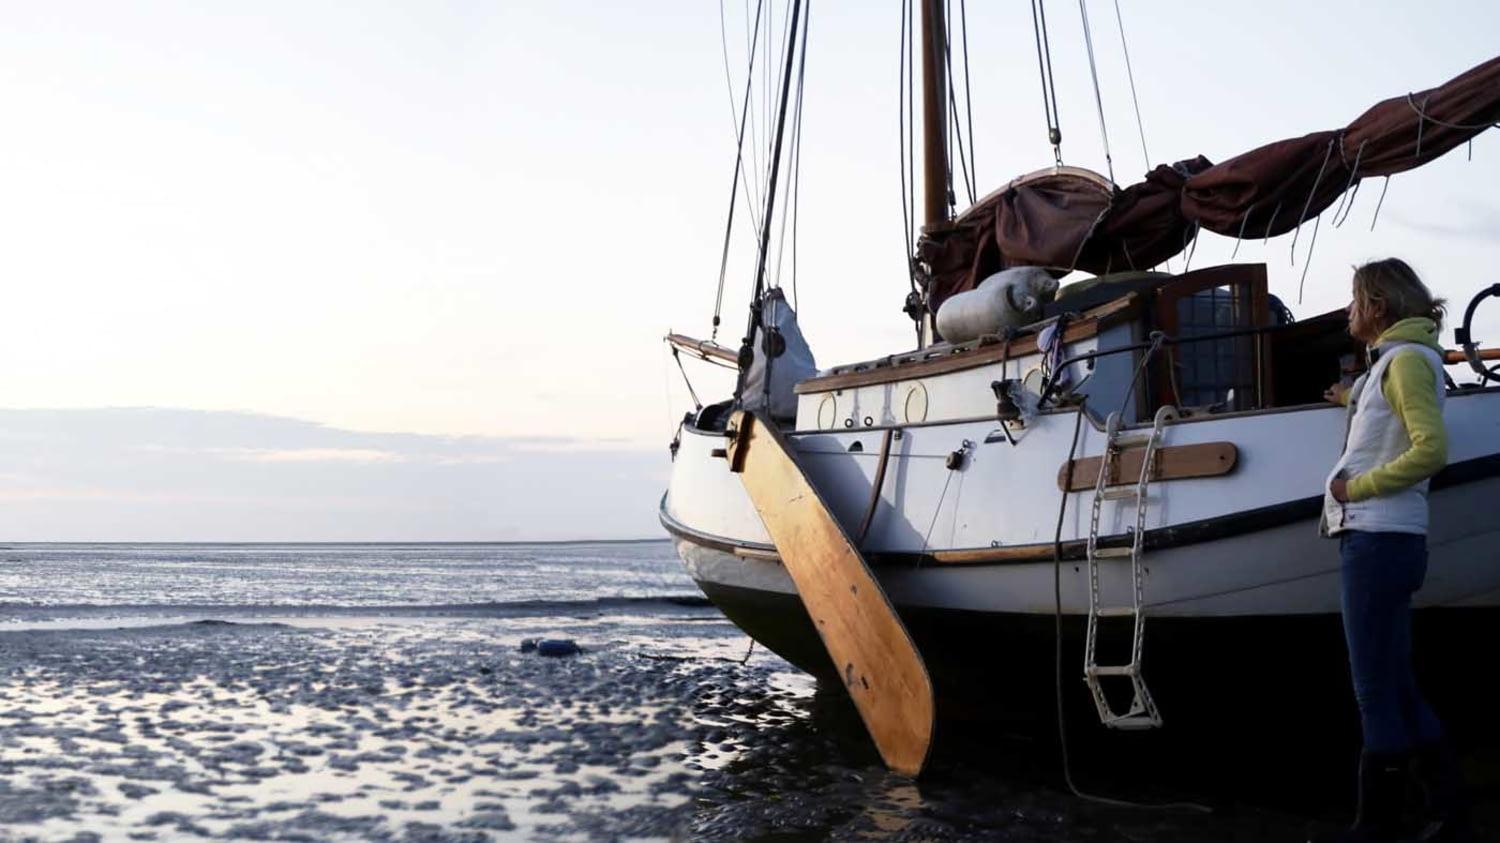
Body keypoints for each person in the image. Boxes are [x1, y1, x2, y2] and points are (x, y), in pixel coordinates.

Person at [1312, 258, 1473, 843]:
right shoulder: (1401, 361)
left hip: (1377, 536)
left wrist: (1356, 487)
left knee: (1372, 688)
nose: (1349, 312)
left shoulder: (1403, 362)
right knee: (1397, 681)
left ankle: (1375, 827)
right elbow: (1391, 421)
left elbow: (1430, 450)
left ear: (1378, 307)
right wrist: (1351, 400)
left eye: (1355, 302)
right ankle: (1449, 809)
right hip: (1392, 540)